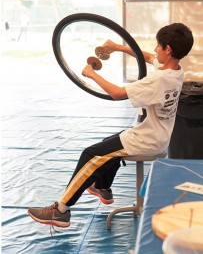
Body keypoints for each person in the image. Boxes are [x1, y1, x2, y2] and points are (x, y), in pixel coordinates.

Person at [28, 23, 193, 228]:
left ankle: (61, 210)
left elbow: (116, 93)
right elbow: (148, 58)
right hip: (157, 135)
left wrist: (91, 73)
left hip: (148, 140)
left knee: (91, 154)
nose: (154, 49)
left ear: (168, 49)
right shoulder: (176, 71)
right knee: (110, 143)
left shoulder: (158, 81)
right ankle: (102, 187)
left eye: (158, 46)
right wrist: (118, 47)